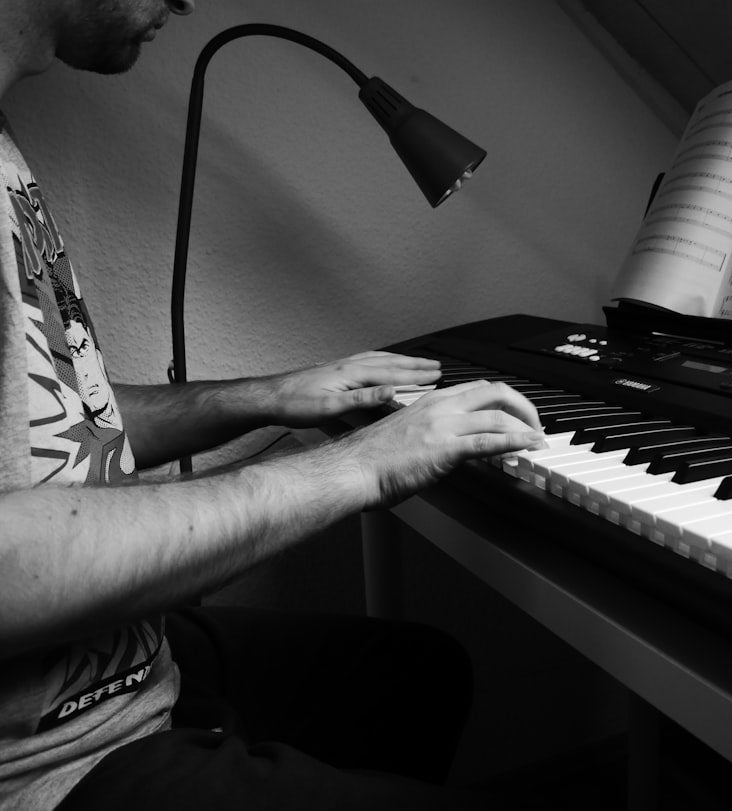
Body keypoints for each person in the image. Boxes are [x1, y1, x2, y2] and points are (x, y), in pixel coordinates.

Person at [0, 1, 549, 807]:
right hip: (48, 766)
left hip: (120, 671)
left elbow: (56, 421)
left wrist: (268, 396)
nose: (187, 1)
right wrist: (359, 465)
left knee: (417, 674)